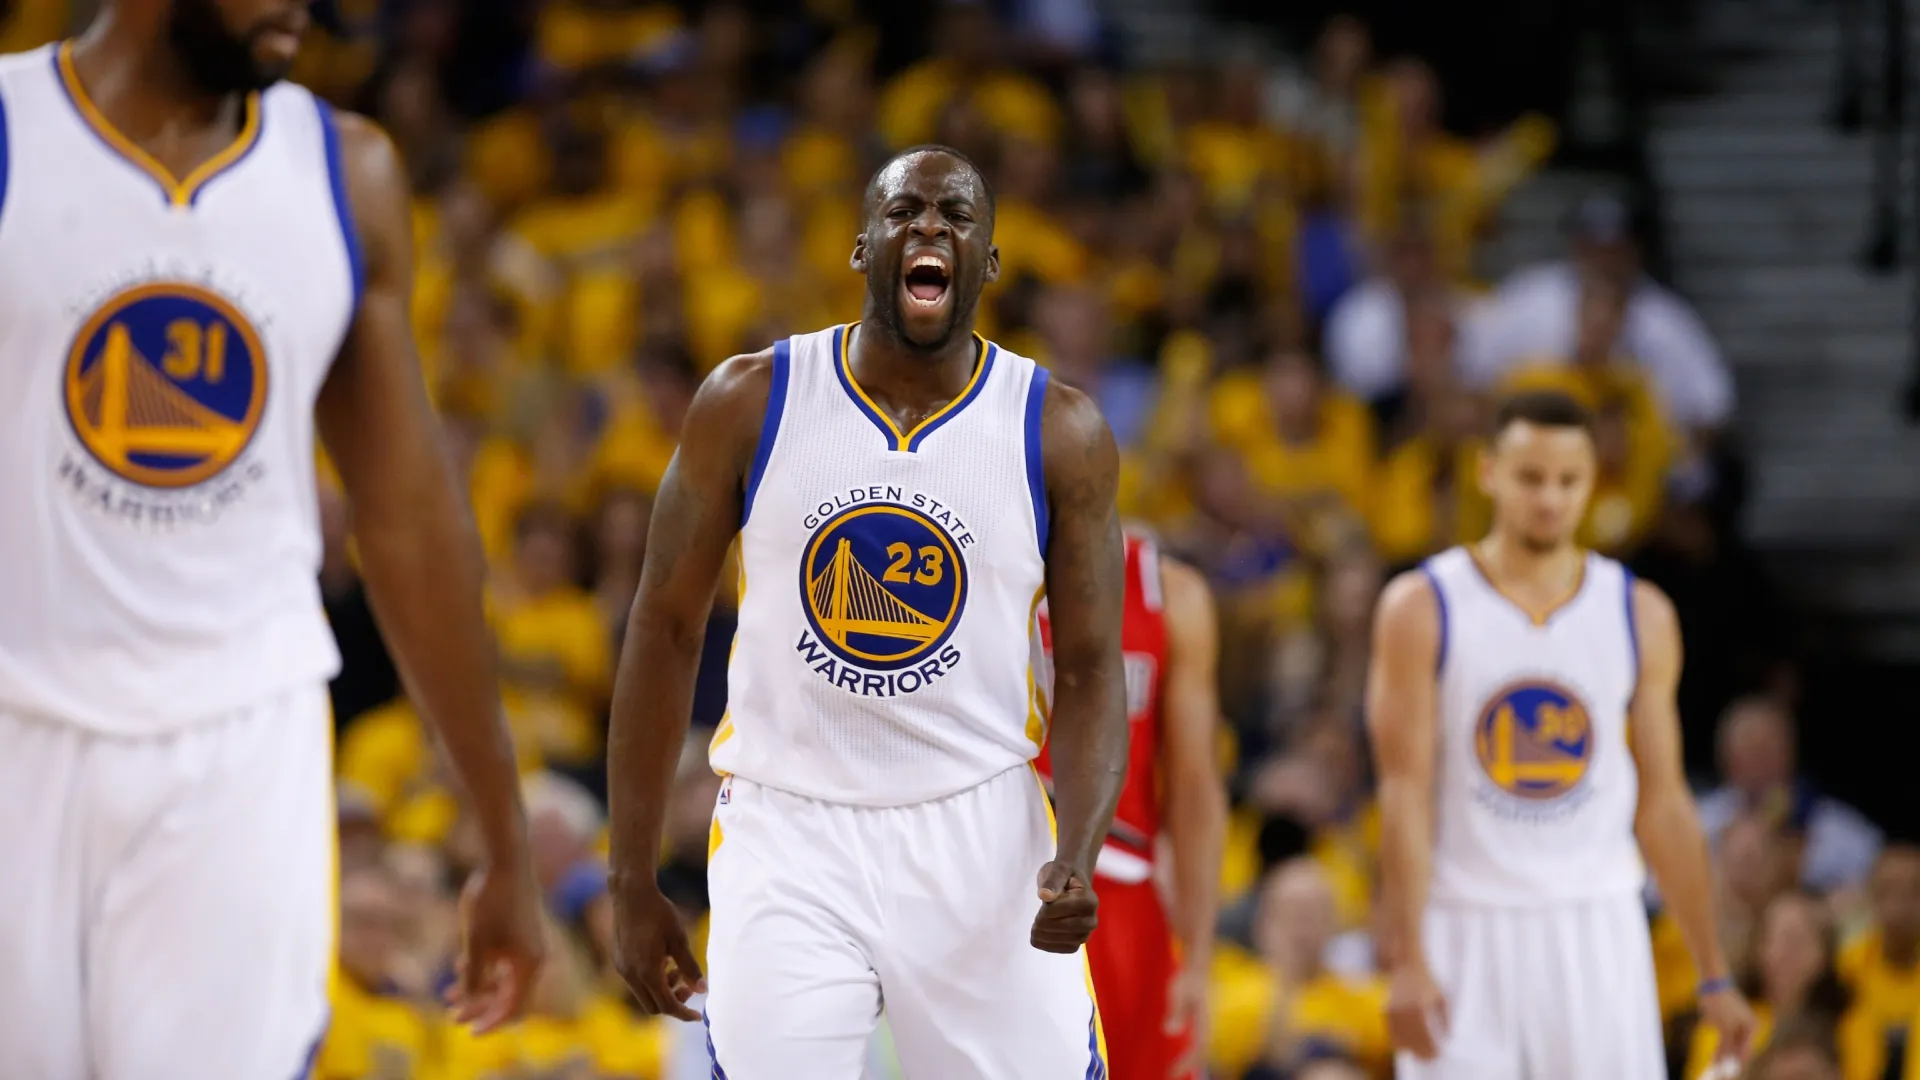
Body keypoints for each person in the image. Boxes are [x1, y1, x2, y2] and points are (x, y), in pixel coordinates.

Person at [0, 2, 545, 1076]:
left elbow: (409, 524)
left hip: (243, 738)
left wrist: (503, 831)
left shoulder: (345, 173)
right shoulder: (13, 129)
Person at [604, 144, 1128, 1078]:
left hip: (983, 830)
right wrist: (631, 874)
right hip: (787, 825)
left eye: (957, 216)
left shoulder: (1060, 431)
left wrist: (1079, 848)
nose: (930, 229)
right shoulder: (749, 401)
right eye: (906, 211)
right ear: (861, 248)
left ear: (990, 261)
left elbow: (1090, 669)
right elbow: (664, 627)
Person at [1365, 390, 1757, 1080]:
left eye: (1568, 481)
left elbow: (1664, 803)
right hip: (1465, 923)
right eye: (1530, 478)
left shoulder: (1639, 613)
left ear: (1592, 482)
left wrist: (1714, 973)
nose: (1549, 499)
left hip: (1598, 925)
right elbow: (1404, 794)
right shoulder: (1422, 607)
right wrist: (1407, 959)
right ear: (1488, 472)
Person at [1034, 529, 1229, 1080]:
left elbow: (1194, 790)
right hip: (989, 876)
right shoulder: (973, 567)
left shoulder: (1169, 592)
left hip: (1116, 885)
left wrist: (1197, 957)